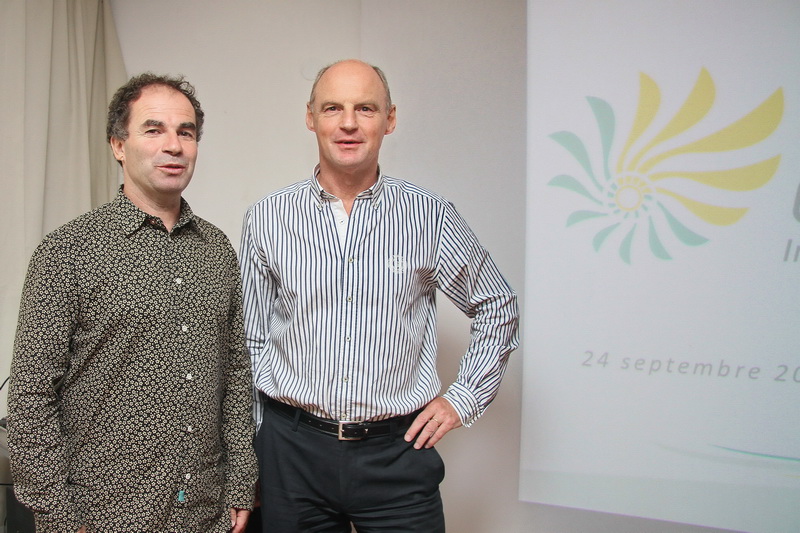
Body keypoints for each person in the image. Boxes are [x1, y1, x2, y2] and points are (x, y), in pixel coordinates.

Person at [239, 59, 519, 532]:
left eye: (365, 108)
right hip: (291, 456)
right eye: (333, 108)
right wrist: (251, 450)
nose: (348, 123)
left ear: (389, 119)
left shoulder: (430, 216)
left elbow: (497, 303)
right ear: (311, 117)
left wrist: (464, 397)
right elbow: (250, 339)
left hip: (397, 456)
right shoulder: (267, 217)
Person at [7, 73, 258, 533]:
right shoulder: (67, 251)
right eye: (153, 129)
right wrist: (62, 519)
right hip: (102, 517)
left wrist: (241, 481)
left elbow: (236, 371)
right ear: (118, 146)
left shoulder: (218, 250)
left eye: (185, 132)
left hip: (204, 512)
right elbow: (30, 397)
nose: (174, 145)